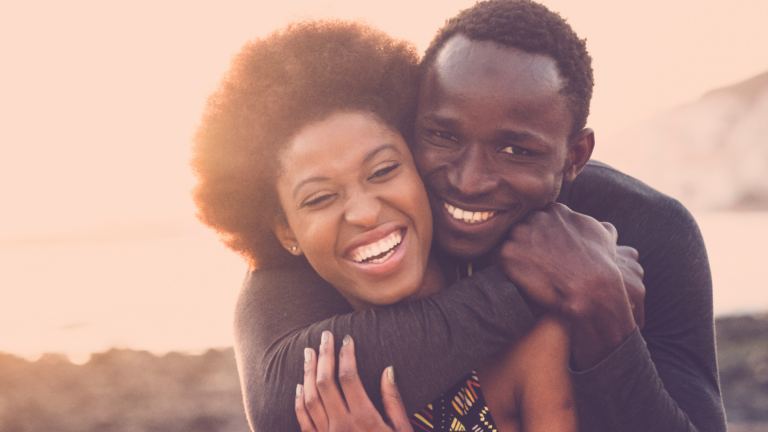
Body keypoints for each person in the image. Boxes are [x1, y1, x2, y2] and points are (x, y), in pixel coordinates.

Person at [197, 1, 727, 431]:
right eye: (443, 135)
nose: (469, 180)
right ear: (411, 123)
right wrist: (526, 287)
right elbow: (280, 398)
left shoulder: (649, 228)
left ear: (574, 158)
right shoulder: (354, 217)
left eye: (516, 150)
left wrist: (604, 311)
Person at [193, 18, 585, 432]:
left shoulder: (534, 342)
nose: (363, 212)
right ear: (287, 232)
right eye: (321, 198)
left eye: (382, 171)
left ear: (418, 161)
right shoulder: (309, 387)